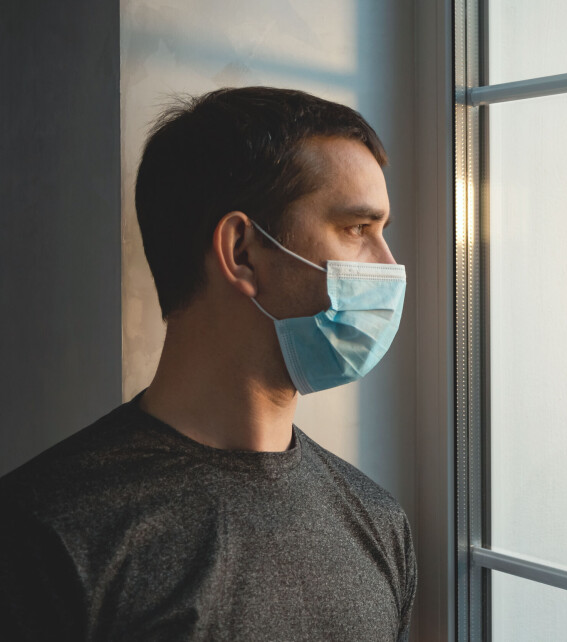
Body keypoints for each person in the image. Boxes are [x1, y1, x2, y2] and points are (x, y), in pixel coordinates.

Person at [0, 86, 417, 641]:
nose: (388, 266)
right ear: (241, 251)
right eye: (358, 229)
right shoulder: (43, 534)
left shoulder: (377, 521)